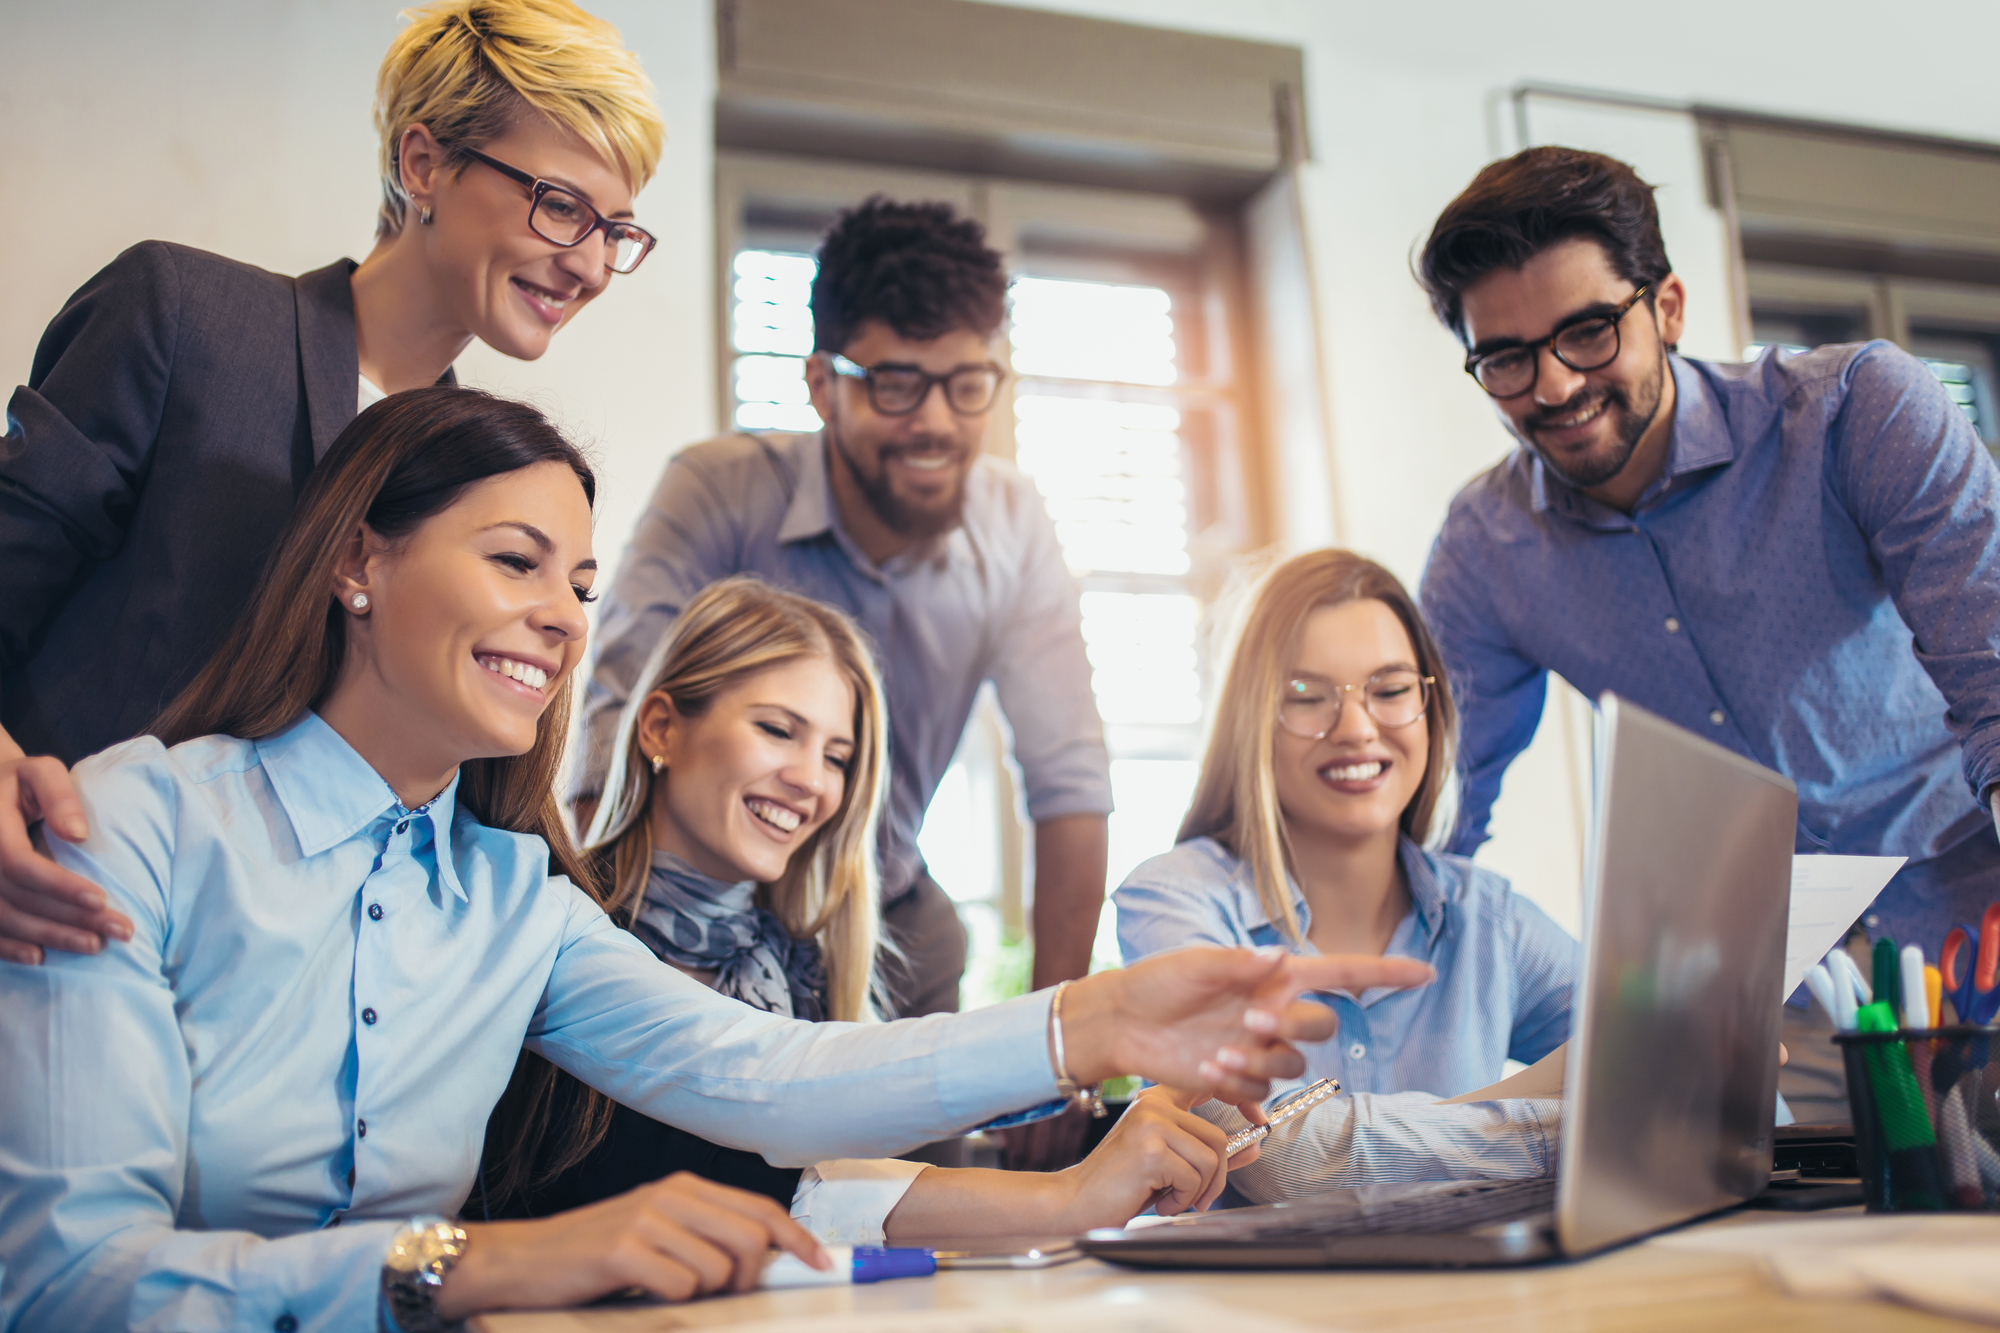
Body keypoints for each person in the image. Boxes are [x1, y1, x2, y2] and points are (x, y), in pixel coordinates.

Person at [0, 387, 1432, 1332]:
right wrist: (470, 1265)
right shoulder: (131, 824)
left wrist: (1087, 1022)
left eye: (578, 585)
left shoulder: (514, 898)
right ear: (358, 564)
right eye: (515, 561)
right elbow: (68, 1279)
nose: (561, 619)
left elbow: (766, 1079)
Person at [0, 0, 666, 966]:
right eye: (560, 206)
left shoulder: (473, 475)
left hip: (274, 997)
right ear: (423, 163)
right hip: (58, 922)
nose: (592, 263)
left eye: (617, 230)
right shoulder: (186, 319)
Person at [1413, 146, 2000, 1119]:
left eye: (1588, 332)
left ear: (1667, 307)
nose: (1552, 386)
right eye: (1506, 357)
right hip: (1777, 1007)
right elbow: (1438, 802)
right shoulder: (1486, 547)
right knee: (1802, 1255)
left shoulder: (1855, 413)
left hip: (1966, 932)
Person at [486, 575, 1262, 1243]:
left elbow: (818, 1191)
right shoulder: (557, 925)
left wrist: (1077, 1192)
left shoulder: (803, 966)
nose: (810, 780)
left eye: (836, 755)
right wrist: (1089, 1040)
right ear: (660, 726)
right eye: (777, 729)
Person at [575, 197, 1112, 1029]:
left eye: (967, 385)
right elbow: (618, 736)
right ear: (822, 384)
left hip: (892, 912)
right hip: (711, 913)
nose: (936, 422)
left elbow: (1069, 781)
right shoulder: (720, 492)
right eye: (897, 384)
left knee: (906, 1148)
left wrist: (1054, 1033)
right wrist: (615, 947)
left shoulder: (1013, 524)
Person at [1114, 549, 1574, 1201]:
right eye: (1306, 697)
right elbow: (1280, 1158)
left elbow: (1673, 1071)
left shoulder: (1490, 917)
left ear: (1430, 708)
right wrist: (1567, 1107)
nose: (1357, 728)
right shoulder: (1172, 902)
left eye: (1389, 691)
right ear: (1253, 721)